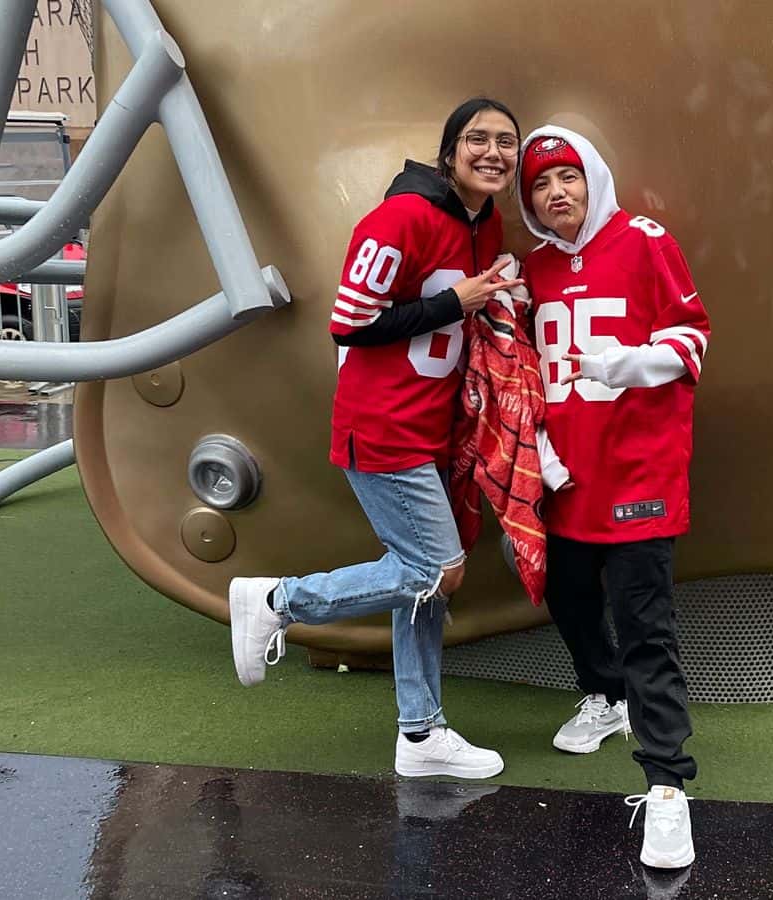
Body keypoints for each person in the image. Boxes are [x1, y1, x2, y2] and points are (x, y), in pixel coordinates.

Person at [227, 98, 525, 779]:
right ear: (449, 151)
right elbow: (350, 322)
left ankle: (420, 733)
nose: (493, 152)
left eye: (506, 141)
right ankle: (276, 602)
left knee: (422, 581)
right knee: (433, 572)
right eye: (477, 138)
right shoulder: (401, 217)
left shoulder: (485, 223)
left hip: (433, 425)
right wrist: (454, 303)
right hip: (386, 424)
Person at [517, 125, 711, 869]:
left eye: (567, 176)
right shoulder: (532, 269)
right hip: (564, 478)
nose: (556, 192)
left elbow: (692, 339)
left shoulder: (644, 240)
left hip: (636, 474)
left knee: (645, 630)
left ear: (593, 177)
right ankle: (604, 696)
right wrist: (537, 454)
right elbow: (515, 371)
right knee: (565, 596)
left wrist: (625, 363)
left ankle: (666, 787)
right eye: (540, 184)